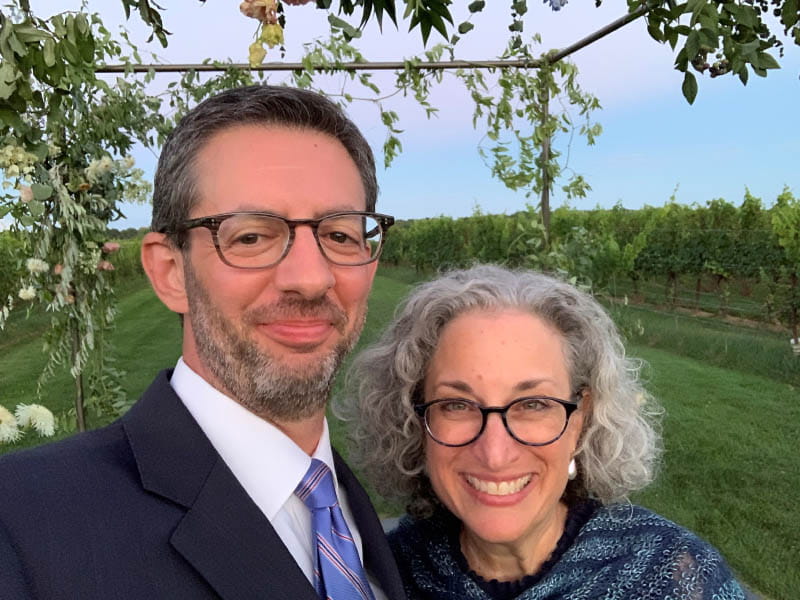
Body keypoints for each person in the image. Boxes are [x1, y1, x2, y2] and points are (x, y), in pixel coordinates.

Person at [0, 85, 406, 600]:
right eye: (251, 236)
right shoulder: (20, 527)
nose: (311, 277)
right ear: (170, 271)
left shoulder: (351, 508)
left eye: (341, 235)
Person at [340, 264, 751, 600]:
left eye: (533, 404)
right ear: (415, 420)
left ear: (581, 418)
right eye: (457, 405)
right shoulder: (383, 577)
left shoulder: (674, 575)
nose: (495, 453)